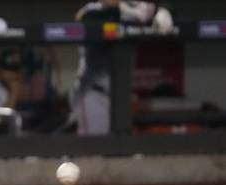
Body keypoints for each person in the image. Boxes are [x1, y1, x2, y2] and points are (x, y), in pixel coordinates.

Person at [72, 0, 174, 135]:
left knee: (119, 149)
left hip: (120, 96)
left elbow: (167, 9)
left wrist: (163, 11)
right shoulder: (90, 10)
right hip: (93, 92)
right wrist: (126, 11)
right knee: (95, 148)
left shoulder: (131, 9)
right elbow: (87, 19)